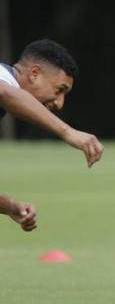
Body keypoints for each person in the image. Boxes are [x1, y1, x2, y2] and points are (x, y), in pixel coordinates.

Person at [0, 39, 104, 230]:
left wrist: (10, 207)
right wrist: (68, 132)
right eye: (59, 90)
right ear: (34, 73)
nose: (59, 103)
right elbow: (5, 92)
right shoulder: (3, 77)